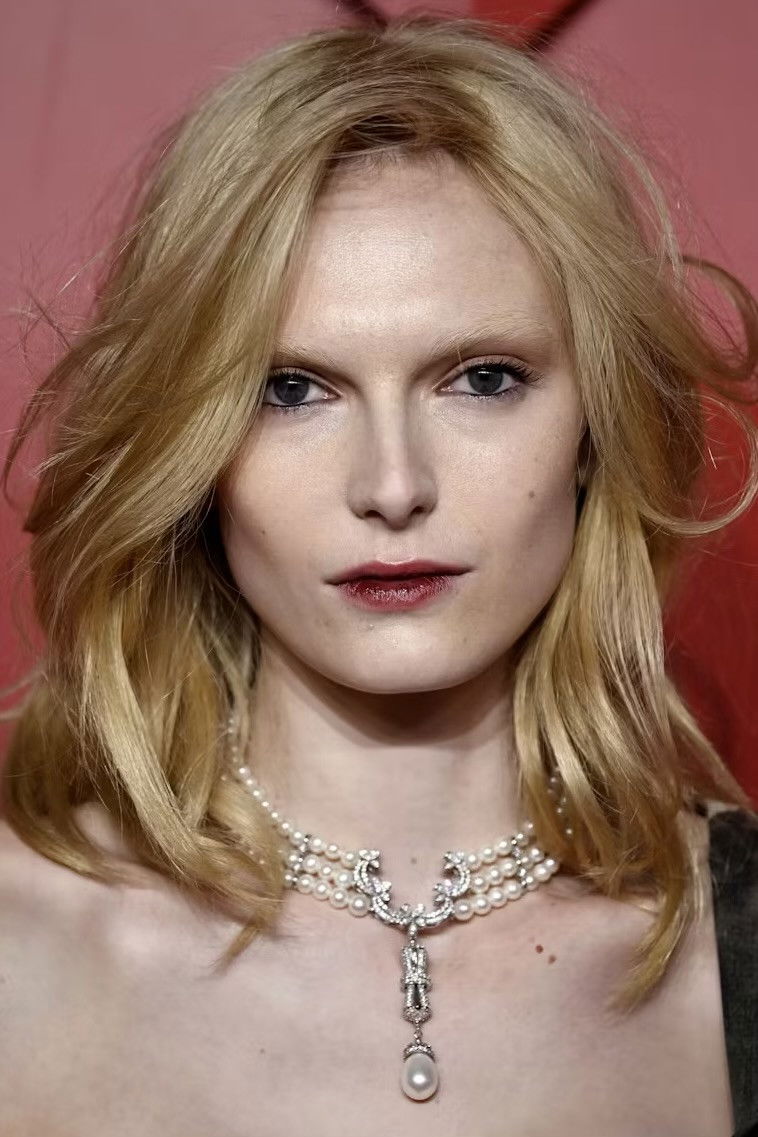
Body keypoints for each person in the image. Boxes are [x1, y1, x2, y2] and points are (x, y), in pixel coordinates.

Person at [0, 14, 756, 1136]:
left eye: (483, 378)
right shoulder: (20, 945)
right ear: (191, 448)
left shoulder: (733, 941)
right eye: (291, 390)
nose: (393, 485)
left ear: (594, 428)